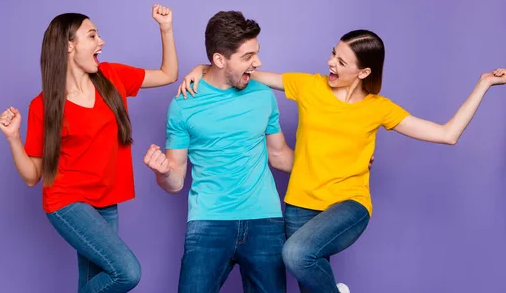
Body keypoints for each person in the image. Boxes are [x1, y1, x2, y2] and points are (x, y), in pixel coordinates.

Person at [178, 30, 506, 293]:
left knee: (295, 253)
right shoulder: (309, 86)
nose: (331, 62)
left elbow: (447, 133)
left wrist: (484, 84)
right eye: (333, 53)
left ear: (363, 71)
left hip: (348, 204)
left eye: (341, 61)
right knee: (306, 271)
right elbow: (240, 69)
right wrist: (200, 68)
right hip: (299, 205)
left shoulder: (379, 108)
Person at [0, 4, 178, 293]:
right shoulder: (43, 106)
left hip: (106, 202)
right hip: (67, 203)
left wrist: (165, 29)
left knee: (93, 282)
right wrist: (12, 137)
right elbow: (32, 175)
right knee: (126, 272)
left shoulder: (112, 76)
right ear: (70, 46)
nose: (101, 42)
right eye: (92, 36)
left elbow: (168, 74)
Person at [143, 10, 294, 293]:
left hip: (265, 221)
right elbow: (174, 183)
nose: (257, 63)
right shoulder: (184, 104)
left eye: (256, 53)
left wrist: (335, 165)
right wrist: (162, 172)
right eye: (248, 56)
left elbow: (280, 155)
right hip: (208, 222)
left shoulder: (263, 95)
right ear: (219, 59)